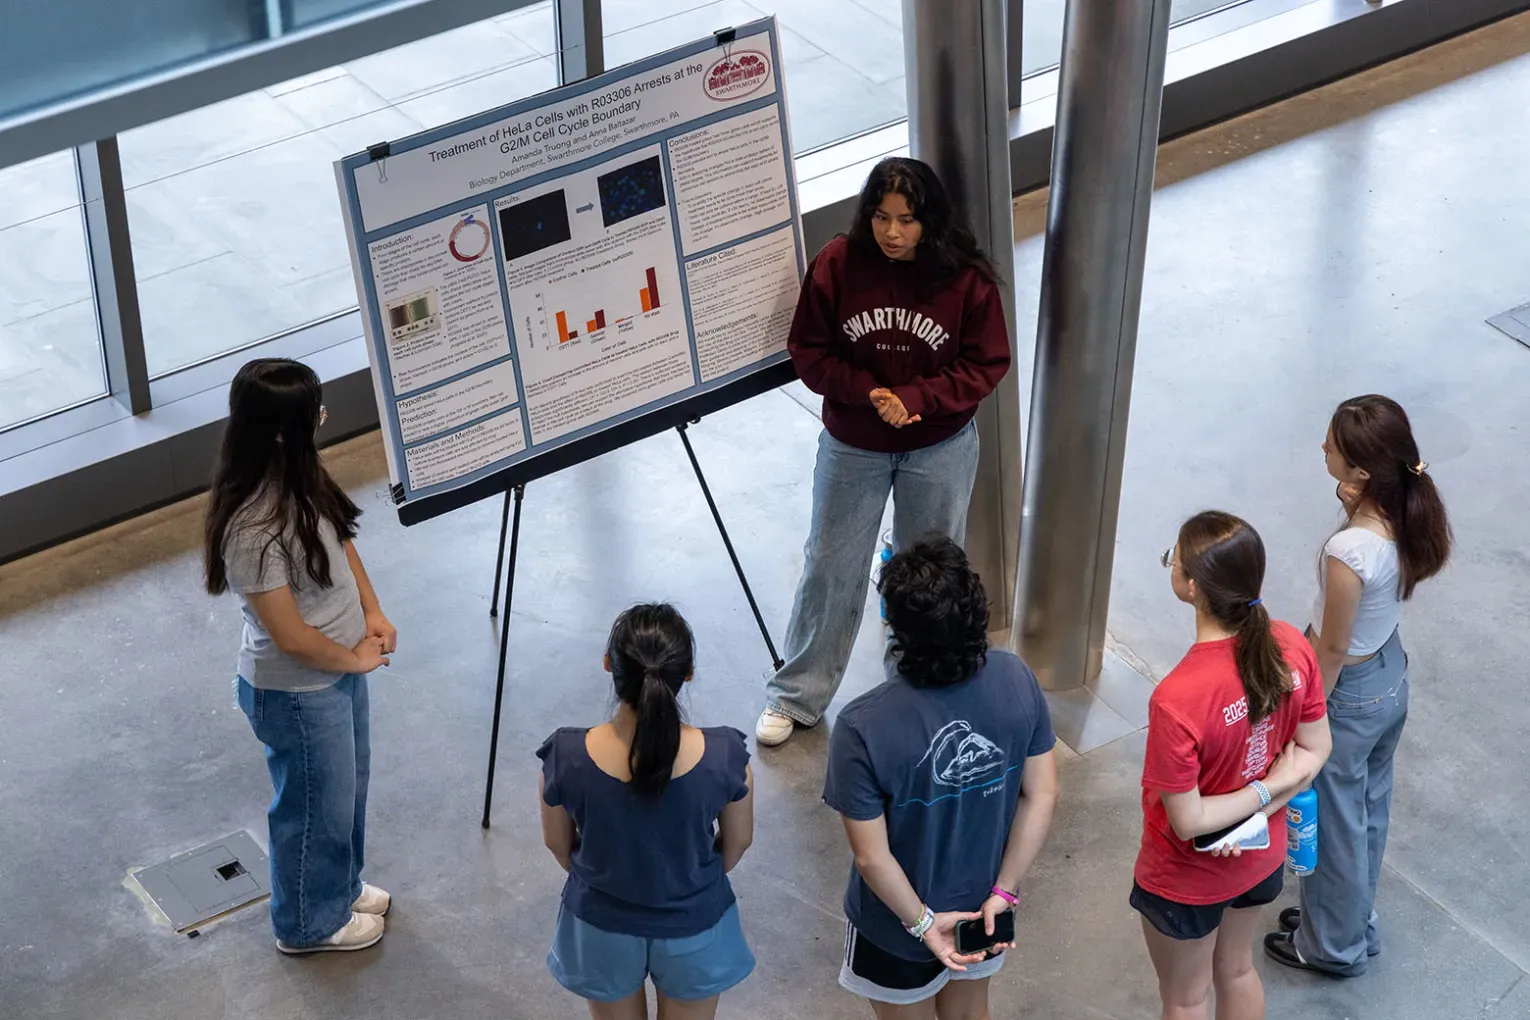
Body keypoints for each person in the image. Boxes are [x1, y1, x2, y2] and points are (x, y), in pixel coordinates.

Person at [758, 157, 1012, 747]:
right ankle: (796, 695)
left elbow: (986, 363)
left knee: (929, 573)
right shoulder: (837, 264)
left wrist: (916, 399)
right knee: (830, 564)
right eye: (880, 216)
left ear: (931, 221)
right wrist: (867, 393)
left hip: (938, 445)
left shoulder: (965, 279)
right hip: (855, 443)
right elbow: (809, 349)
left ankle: (917, 689)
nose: (892, 232)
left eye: (906, 220)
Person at [203, 358, 396, 954]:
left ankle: (338, 890)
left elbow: (340, 541)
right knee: (312, 809)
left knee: (344, 795)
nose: (323, 419)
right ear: (284, 431)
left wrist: (372, 611)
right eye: (316, 412)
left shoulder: (301, 474)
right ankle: (308, 924)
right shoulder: (251, 528)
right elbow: (290, 636)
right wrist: (355, 660)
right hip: (297, 692)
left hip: (336, 670)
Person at [823, 537, 1058, 1019]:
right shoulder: (1016, 678)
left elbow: (871, 856)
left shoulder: (861, 726)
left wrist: (923, 924)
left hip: (896, 927)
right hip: (983, 912)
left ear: (896, 627)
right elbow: (1042, 794)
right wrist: (1004, 891)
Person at [1265, 395, 1451, 976]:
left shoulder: (1349, 551)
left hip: (1347, 693)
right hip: (1388, 674)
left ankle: (1331, 947)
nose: (1323, 446)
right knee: (1367, 810)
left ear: (1363, 471)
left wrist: (1305, 715)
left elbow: (1333, 646)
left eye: (1333, 446)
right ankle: (1348, 920)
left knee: (1333, 821)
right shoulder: (1407, 513)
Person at [1134, 511, 1332, 1020]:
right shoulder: (1290, 646)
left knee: (1186, 998)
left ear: (1192, 587)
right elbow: (1315, 751)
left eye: (1173, 560)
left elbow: (1188, 821)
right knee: (1238, 971)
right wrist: (1271, 796)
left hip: (1187, 877)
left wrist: (1258, 798)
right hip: (1261, 857)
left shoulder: (1178, 698)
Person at [538, 604, 756, 1020]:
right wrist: (692, 879)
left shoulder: (564, 756)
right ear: (687, 673)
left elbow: (557, 844)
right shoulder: (726, 757)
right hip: (695, 925)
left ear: (609, 664)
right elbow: (738, 841)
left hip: (600, 927)